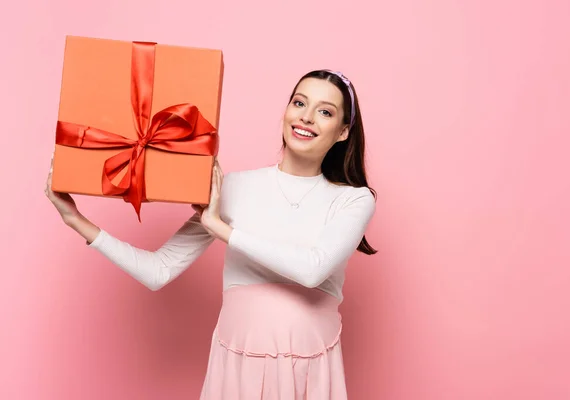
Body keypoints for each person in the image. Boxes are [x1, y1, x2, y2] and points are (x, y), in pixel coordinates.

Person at [45, 69, 377, 399]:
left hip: (309, 375)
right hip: (236, 375)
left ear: (343, 131)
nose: (306, 118)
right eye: (299, 103)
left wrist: (221, 229)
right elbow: (158, 271)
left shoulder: (353, 199)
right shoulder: (231, 187)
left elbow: (312, 269)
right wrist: (75, 219)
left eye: (325, 111)